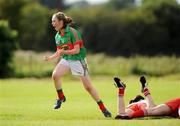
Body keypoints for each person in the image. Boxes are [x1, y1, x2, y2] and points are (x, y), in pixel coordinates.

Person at [44, 12, 111, 117]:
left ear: (61, 22)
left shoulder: (73, 32)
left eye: (54, 21)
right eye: (52, 21)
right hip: (67, 59)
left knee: (88, 87)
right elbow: (59, 51)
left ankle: (103, 109)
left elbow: (76, 50)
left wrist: (63, 52)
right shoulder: (57, 36)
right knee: (55, 75)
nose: (52, 23)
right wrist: (50, 58)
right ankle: (61, 97)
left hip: (78, 60)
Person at [113, 76, 180, 119]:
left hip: (133, 106)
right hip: (143, 103)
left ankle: (121, 89)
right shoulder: (143, 101)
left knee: (121, 113)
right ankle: (145, 89)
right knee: (152, 108)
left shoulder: (131, 104)